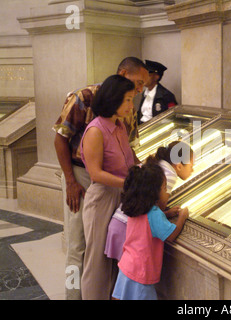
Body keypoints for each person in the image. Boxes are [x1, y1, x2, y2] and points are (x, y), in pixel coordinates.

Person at [53, 57, 148, 300]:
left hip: (113, 182)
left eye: (140, 88)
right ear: (122, 75)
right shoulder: (84, 98)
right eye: (136, 84)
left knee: (105, 249)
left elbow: (127, 150)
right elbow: (61, 139)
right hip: (80, 173)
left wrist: (142, 170)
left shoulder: (124, 114)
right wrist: (70, 181)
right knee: (79, 245)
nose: (138, 92)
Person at [80, 74, 138, 300]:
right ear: (113, 99)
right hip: (103, 198)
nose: (131, 106)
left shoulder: (120, 125)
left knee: (115, 257)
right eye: (127, 100)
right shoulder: (96, 130)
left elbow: (128, 158)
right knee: (97, 262)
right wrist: (129, 183)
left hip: (122, 195)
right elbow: (96, 173)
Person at [104, 140, 194, 261]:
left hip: (118, 222)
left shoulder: (158, 164)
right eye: (191, 166)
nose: (192, 170)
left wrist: (166, 214)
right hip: (126, 229)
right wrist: (181, 217)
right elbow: (160, 208)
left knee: (122, 270)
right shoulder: (170, 174)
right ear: (178, 166)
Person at [112, 163, 189, 300]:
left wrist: (166, 213)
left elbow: (147, 224)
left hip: (127, 265)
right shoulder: (154, 213)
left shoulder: (137, 207)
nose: (167, 192)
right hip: (141, 273)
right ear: (153, 191)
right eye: (164, 188)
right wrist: (182, 218)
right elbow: (170, 235)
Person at [137, 60, 178, 124]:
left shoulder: (166, 95)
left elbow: (172, 118)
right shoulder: (145, 93)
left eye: (148, 75)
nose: (144, 78)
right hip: (142, 128)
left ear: (156, 77)